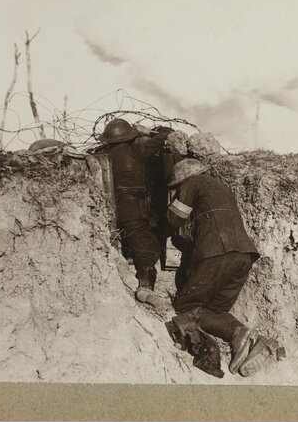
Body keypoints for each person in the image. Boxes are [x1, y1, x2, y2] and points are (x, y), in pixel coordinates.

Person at [163, 158, 279, 377]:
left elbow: (175, 217)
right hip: (244, 255)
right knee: (216, 311)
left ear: (184, 179)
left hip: (217, 253)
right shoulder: (223, 188)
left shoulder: (193, 182)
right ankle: (250, 340)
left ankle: (238, 332)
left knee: (187, 308)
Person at [101, 118, 172, 306]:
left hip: (111, 207)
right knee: (146, 247)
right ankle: (145, 286)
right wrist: (147, 132)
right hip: (133, 207)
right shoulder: (136, 149)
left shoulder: (104, 154)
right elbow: (166, 133)